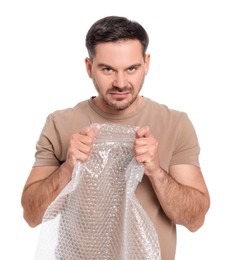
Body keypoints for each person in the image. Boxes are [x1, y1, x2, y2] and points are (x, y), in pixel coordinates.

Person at [21, 15, 210, 260]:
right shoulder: (60, 124)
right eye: (107, 69)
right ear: (89, 67)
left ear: (147, 63)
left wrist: (155, 171)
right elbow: (31, 215)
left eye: (132, 68)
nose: (121, 83)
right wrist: (67, 168)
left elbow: (195, 220)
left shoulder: (175, 123)